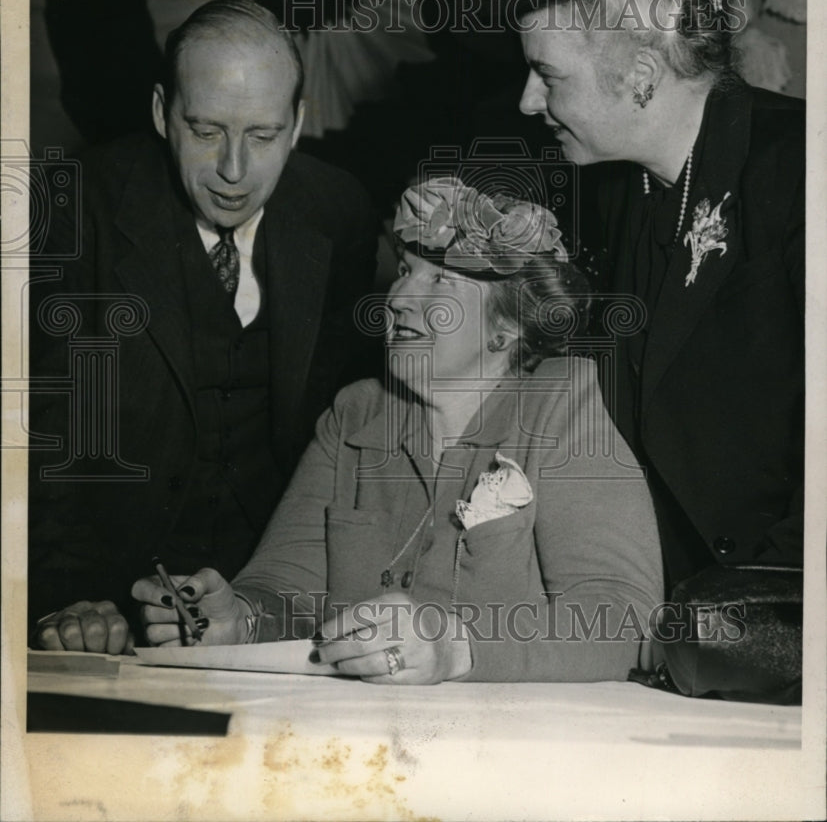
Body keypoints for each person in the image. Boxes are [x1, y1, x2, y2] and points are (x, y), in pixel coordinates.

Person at [128, 177, 663, 684]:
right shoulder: (356, 416)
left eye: (440, 281)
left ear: (507, 327)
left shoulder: (560, 405)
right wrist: (239, 620)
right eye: (405, 270)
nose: (401, 298)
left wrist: (455, 648)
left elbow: (622, 614)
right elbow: (287, 585)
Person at [450, 0, 804, 591]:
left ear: (642, 72)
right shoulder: (617, 195)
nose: (526, 102)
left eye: (548, 76)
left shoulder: (799, 172)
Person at [30, 0, 377, 652]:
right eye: (207, 129)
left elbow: (338, 436)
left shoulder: (340, 210)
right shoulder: (74, 207)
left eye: (263, 135)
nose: (234, 171)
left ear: (299, 121)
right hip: (106, 598)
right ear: (163, 113)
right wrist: (64, 598)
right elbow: (40, 435)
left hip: (267, 603)